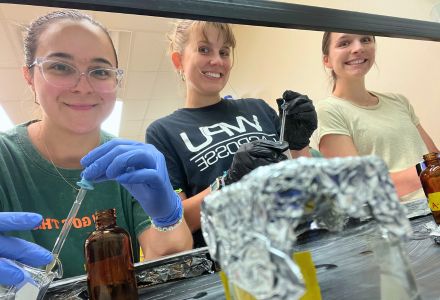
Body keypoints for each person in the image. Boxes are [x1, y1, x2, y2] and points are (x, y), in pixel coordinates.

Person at [0, 10, 192, 285]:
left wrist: (167, 215)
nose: (83, 86)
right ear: (29, 76)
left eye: (100, 71)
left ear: (116, 80)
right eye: (61, 67)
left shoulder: (128, 163)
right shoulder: (5, 159)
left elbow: (172, 262)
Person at [146, 20, 317, 247]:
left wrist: (299, 145)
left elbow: (306, 189)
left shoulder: (258, 108)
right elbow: (176, 224)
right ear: (179, 60)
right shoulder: (162, 132)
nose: (217, 61)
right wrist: (226, 183)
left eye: (224, 52)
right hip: (230, 264)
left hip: (294, 244)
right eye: (204, 49)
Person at [316, 32, 439, 202]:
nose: (358, 48)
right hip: (405, 220)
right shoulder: (328, 111)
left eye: (365, 40)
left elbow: (433, 157)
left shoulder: (399, 101)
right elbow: (360, 186)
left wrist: (433, 167)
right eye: (344, 43)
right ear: (326, 60)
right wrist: (427, 172)